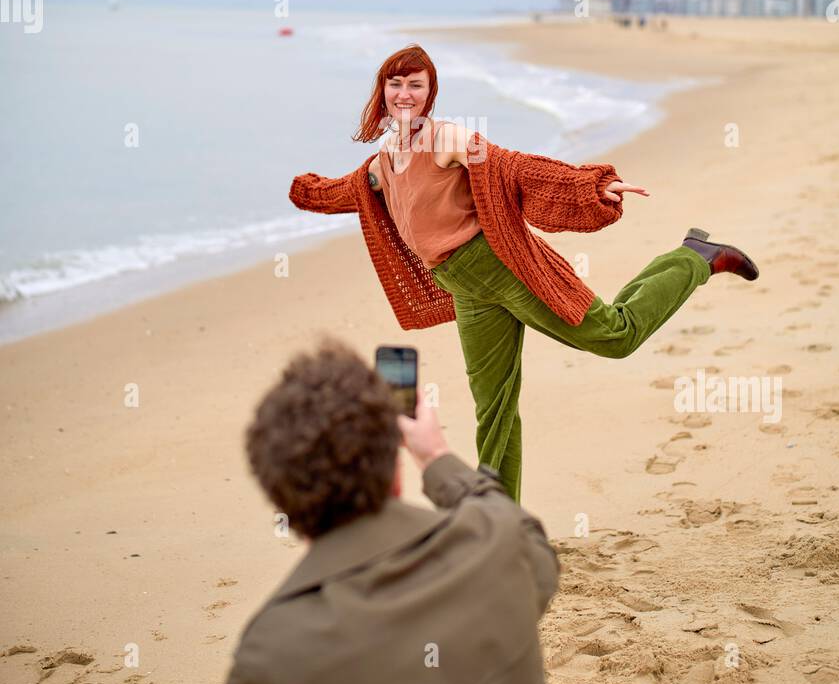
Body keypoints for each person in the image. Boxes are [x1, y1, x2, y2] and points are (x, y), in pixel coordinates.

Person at [289, 44, 759, 504]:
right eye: (396, 84)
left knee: (615, 337)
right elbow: (349, 192)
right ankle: (498, 519)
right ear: (383, 91)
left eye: (416, 85)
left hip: (502, 267)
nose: (405, 94)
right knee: (493, 409)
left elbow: (513, 167)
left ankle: (695, 258)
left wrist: (591, 185)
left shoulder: (445, 139)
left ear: (430, 93)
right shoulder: (386, 158)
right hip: (466, 290)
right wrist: (303, 192)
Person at [181, 339, 571, 684]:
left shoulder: (277, 646)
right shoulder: (498, 546)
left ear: (278, 498)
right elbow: (515, 524)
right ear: (395, 468)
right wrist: (436, 455)